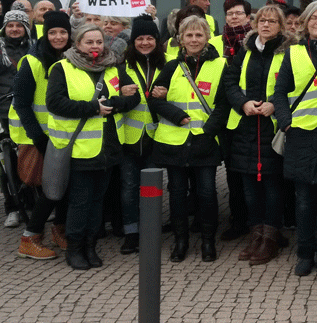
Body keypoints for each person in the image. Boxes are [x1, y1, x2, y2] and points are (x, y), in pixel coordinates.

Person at [47, 24, 140, 270]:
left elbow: (134, 97)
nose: (95, 46)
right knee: (80, 201)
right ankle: (75, 248)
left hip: (109, 148)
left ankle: (90, 246)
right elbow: (55, 103)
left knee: (98, 200)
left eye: (99, 42)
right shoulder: (62, 68)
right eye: (89, 42)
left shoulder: (114, 67)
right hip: (80, 149)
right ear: (77, 44)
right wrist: (92, 108)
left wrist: (115, 102)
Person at [273, 1, 317, 277]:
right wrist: (286, 122)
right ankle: (304, 253)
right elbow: (279, 93)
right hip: (300, 134)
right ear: (304, 22)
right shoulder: (292, 53)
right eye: (313, 17)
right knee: (303, 200)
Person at [150, 15, 229, 263]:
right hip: (174, 141)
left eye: (199, 35)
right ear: (180, 39)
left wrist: (208, 132)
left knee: (206, 193)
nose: (194, 39)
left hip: (205, 141)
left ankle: (207, 241)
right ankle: (180, 241)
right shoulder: (171, 66)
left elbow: (224, 104)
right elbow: (154, 98)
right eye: (189, 35)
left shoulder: (220, 65)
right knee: (176, 194)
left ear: (207, 37)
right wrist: (176, 115)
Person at [224, 5, 291, 266]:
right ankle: (256, 235)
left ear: (280, 26)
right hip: (247, 126)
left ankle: (270, 239)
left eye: (272, 21)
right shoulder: (245, 51)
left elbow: (292, 85)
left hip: (273, 127)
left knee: (273, 186)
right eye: (262, 20)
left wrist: (274, 103)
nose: (266, 25)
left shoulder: (287, 52)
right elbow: (229, 82)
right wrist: (242, 103)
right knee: (250, 187)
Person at [13, 11, 72, 259]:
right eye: (52, 32)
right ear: (45, 35)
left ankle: (59, 230)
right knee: (50, 189)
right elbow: (22, 104)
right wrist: (38, 137)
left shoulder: (70, 59)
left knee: (63, 187)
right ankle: (30, 237)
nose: (58, 37)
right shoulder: (32, 61)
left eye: (63, 32)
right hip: (37, 136)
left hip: (61, 136)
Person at [118, 15, 166, 254]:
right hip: (129, 138)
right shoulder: (121, 65)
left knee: (153, 188)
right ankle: (131, 233)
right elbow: (110, 95)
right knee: (128, 188)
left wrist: (167, 93)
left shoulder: (167, 64)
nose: (145, 42)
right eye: (140, 38)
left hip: (156, 137)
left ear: (157, 40)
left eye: (150, 38)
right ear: (133, 41)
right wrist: (121, 93)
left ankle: (150, 229)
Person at [211, 0, 254, 242]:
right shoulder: (215, 43)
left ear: (248, 17)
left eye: (239, 13)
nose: (234, 17)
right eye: (230, 14)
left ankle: (255, 219)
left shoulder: (256, 42)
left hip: (250, 112)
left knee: (253, 170)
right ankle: (238, 219)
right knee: (232, 171)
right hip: (225, 116)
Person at [0, 9, 35, 227]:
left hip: (28, 111)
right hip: (4, 111)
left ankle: (31, 203)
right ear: (5, 28)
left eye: (19, 25)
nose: (15, 29)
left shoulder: (33, 48)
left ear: (26, 28)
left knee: (30, 159)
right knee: (7, 164)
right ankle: (12, 207)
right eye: (10, 25)